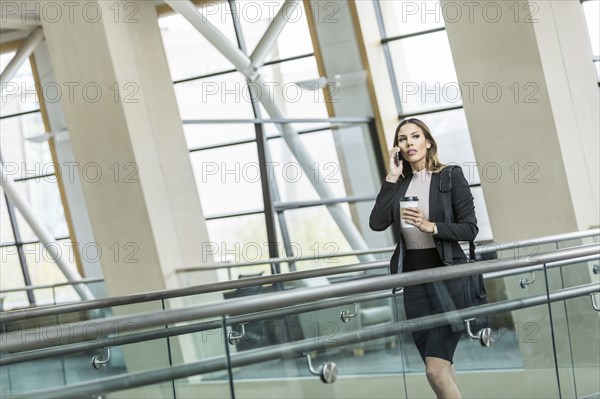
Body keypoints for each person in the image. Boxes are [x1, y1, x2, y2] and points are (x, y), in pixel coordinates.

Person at [369, 118, 478, 399]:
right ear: (398, 148)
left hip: (447, 275)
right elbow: (376, 223)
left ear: (428, 141)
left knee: (435, 371)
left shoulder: (450, 176)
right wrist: (391, 177)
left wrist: (432, 227)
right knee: (442, 368)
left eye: (415, 136)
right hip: (414, 283)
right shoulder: (400, 184)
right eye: (403, 139)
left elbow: (470, 228)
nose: (409, 143)